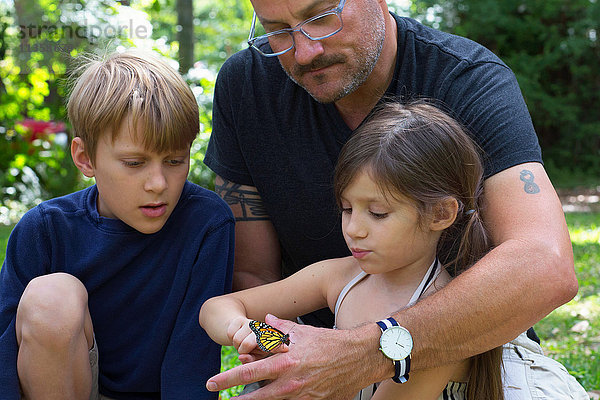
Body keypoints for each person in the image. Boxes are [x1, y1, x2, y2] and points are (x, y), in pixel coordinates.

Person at [203, 0, 578, 398]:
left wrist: (361, 352)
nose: (304, 51)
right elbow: (252, 288)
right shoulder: (247, 87)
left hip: (446, 351)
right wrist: (275, 349)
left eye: (321, 17)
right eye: (277, 29)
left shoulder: (467, 78)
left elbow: (546, 263)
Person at [0, 50, 235, 399]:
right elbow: (5, 351)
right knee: (51, 297)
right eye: (134, 163)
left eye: (174, 160)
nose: (158, 182)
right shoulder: (45, 230)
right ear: (85, 158)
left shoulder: (207, 223)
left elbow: (192, 355)